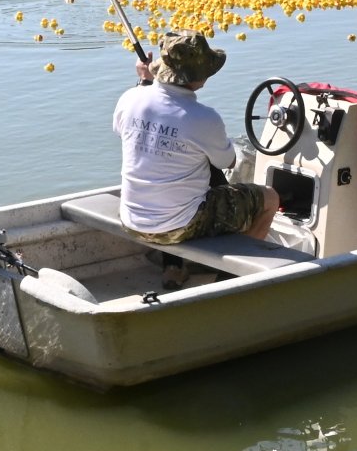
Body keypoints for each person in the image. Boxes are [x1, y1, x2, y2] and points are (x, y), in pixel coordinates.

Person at [114, 30, 281, 281]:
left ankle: (174, 268)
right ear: (200, 77)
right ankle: (230, 276)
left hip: (132, 221)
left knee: (193, 171)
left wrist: (145, 82)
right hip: (178, 227)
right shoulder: (203, 117)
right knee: (269, 198)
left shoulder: (130, 98)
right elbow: (229, 162)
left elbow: (126, 130)